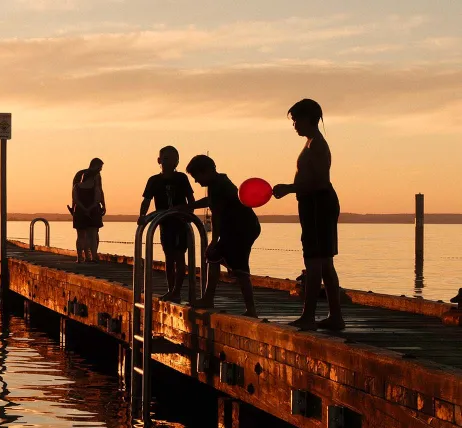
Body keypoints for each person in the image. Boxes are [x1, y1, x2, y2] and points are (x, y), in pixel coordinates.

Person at [273, 98, 345, 331]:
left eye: (296, 120)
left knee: (314, 261)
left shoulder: (317, 145)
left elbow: (320, 182)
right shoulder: (311, 143)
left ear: (308, 119)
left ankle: (309, 316)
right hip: (313, 203)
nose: (294, 125)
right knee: (324, 262)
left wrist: (288, 188)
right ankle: (334, 316)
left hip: (318, 204)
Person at [182, 155, 260, 317]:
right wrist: (189, 206)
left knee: (240, 269)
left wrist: (213, 240)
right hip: (238, 228)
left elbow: (216, 215)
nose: (196, 181)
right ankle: (209, 298)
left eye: (197, 177)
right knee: (214, 256)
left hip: (242, 229)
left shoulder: (219, 185)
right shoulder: (217, 182)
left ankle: (251, 310)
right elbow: (210, 201)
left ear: (207, 171)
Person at [138, 146, 195, 302]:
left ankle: (177, 291)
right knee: (169, 257)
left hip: (180, 222)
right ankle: (171, 289)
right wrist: (142, 216)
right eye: (166, 159)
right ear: (159, 161)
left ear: (178, 162)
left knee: (179, 256)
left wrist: (190, 213)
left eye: (173, 159)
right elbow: (146, 200)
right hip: (164, 222)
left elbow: (190, 198)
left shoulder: (181, 178)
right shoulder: (154, 180)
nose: (169, 162)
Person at [71, 158, 105, 262]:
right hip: (93, 211)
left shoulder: (77, 182)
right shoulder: (96, 177)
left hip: (80, 211)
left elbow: (75, 198)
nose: (101, 170)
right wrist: (102, 205)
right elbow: (99, 195)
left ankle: (81, 256)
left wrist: (76, 208)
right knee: (93, 235)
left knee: (81, 235)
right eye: (100, 167)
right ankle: (93, 256)